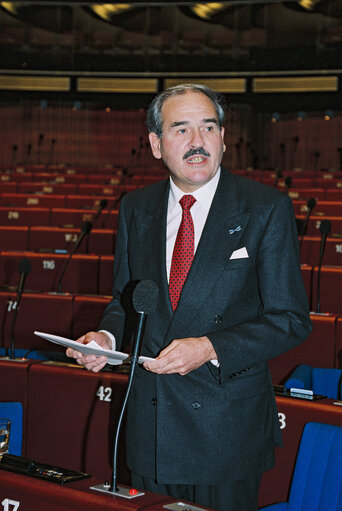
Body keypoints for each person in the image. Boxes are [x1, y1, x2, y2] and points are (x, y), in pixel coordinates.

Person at [66, 83, 312, 511]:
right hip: (152, 424)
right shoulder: (135, 208)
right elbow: (127, 302)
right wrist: (106, 340)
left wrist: (209, 347)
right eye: (181, 130)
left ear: (222, 136)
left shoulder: (265, 208)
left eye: (208, 127)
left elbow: (290, 319)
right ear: (156, 144)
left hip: (226, 430)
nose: (197, 142)